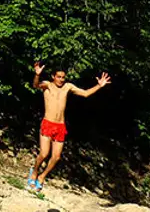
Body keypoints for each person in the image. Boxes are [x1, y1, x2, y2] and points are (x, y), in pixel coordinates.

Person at [27, 62, 112, 190]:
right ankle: (34, 172)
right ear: (53, 76)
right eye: (58, 77)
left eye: (63, 77)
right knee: (44, 154)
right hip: (48, 123)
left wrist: (99, 86)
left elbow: (85, 94)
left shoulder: (68, 87)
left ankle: (42, 176)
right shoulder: (47, 85)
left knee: (56, 157)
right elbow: (35, 85)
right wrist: (37, 74)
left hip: (60, 125)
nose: (61, 79)